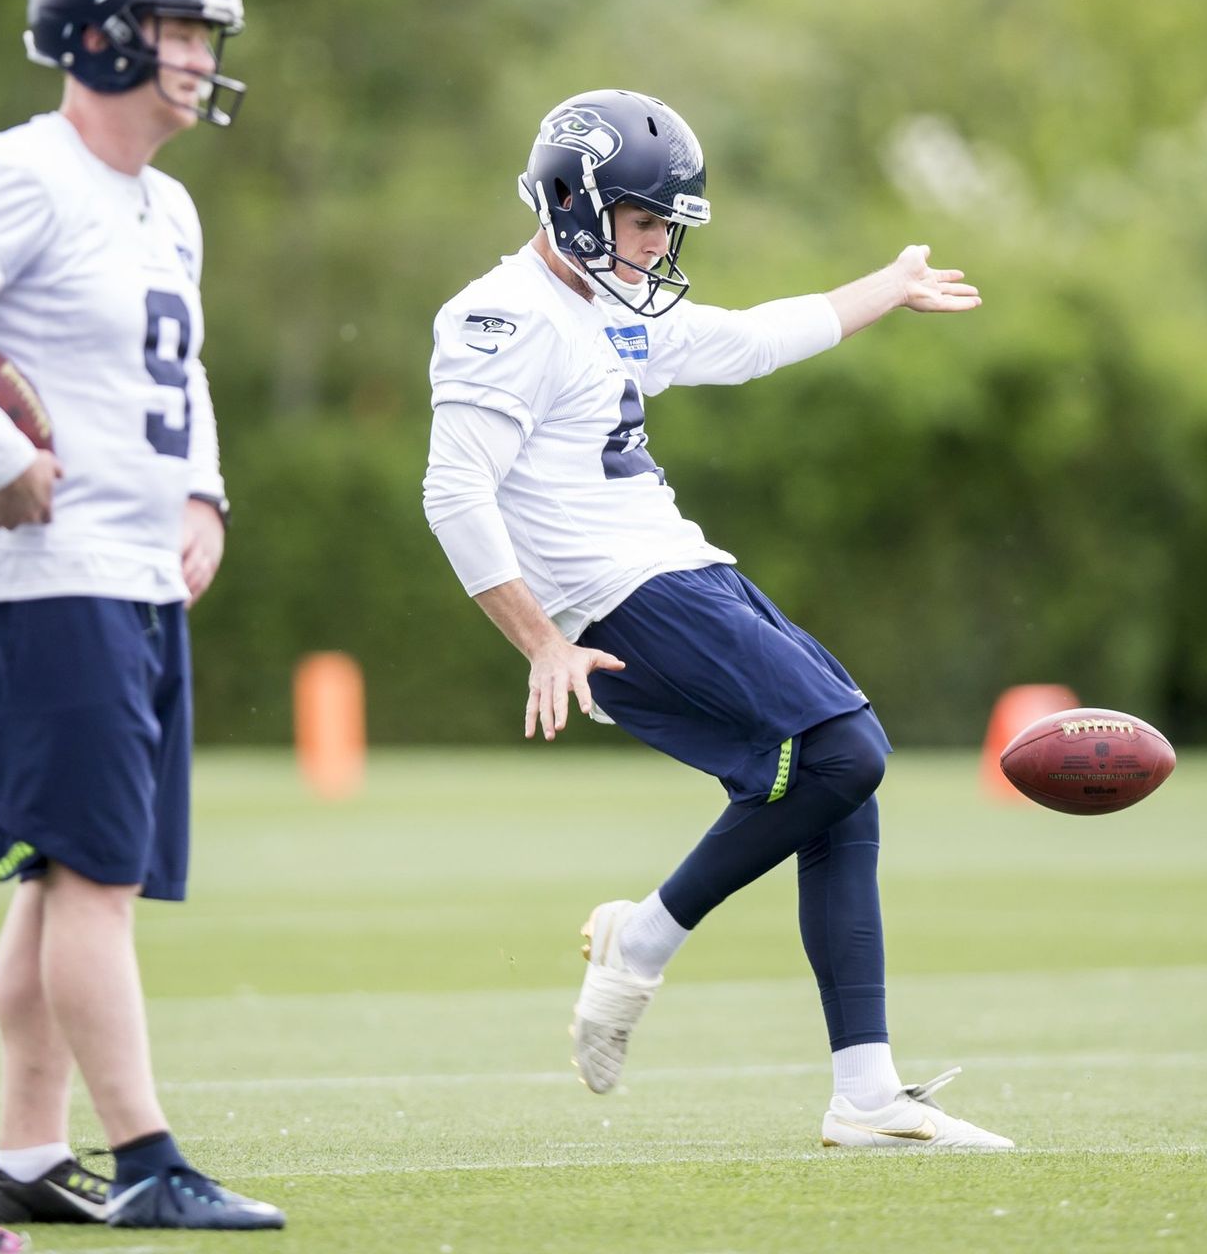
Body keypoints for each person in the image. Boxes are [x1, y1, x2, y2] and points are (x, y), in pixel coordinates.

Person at [421, 89, 1013, 1149]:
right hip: (617, 599)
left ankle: (865, 1092)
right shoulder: (499, 316)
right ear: (571, 203)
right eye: (643, 221)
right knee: (846, 751)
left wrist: (888, 284)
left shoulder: (613, 301)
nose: (655, 246)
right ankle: (640, 940)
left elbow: (746, 340)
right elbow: (454, 494)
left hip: (685, 567)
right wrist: (541, 641)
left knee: (844, 797)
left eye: (665, 225)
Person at [0, 0, 284, 1229]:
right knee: (97, 877)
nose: (200, 57)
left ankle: (30, 1164)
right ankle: (147, 1159)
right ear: (99, 35)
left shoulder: (170, 205)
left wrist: (204, 490)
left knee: (67, 880)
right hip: (52, 574)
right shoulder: (9, 171)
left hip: (133, 570)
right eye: (179, 29)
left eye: (207, 33)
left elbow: (176, 371)